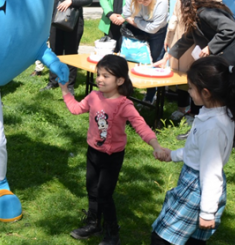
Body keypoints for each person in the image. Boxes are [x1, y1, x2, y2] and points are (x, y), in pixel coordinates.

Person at [59, 55, 167, 245]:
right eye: (98, 74)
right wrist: (65, 91)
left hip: (112, 157)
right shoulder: (93, 96)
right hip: (93, 152)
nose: (100, 79)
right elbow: (76, 109)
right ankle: (94, 224)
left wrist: (156, 145)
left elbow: (141, 126)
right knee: (91, 188)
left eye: (106, 76)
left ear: (119, 80)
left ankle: (112, 232)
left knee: (104, 194)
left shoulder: (124, 105)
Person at [151, 56, 235, 245]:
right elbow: (196, 151)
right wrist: (172, 155)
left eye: (191, 88)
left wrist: (207, 212)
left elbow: (211, 171)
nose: (189, 92)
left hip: (199, 189)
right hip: (196, 185)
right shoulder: (215, 114)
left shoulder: (212, 127)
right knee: (192, 240)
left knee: (162, 238)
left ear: (206, 93)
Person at [154, 0, 235, 145]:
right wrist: (167, 57)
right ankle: (219, 132)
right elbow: (188, 38)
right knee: (229, 97)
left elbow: (229, 29)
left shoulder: (207, 12)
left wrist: (210, 47)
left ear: (189, 1)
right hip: (228, 61)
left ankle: (233, 135)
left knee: (228, 96)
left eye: (181, 1)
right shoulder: (199, 14)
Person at [165, 0, 222, 129]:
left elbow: (216, 18)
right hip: (181, 37)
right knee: (180, 75)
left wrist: (209, 46)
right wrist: (169, 38)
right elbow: (176, 14)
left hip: (199, 41)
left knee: (197, 77)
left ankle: (196, 112)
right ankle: (182, 108)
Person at [42, 0, 92, 94]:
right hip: (56, 20)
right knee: (54, 51)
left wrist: (72, 0)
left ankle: (69, 84)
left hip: (73, 22)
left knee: (71, 52)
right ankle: (53, 81)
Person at [122, 0, 169, 103]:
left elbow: (154, 28)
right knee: (133, 58)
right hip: (136, 27)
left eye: (145, 0)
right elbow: (126, 14)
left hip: (157, 32)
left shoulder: (161, 0)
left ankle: (150, 96)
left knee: (154, 62)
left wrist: (137, 21)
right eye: (139, 1)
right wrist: (138, 23)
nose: (142, 3)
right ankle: (127, 91)